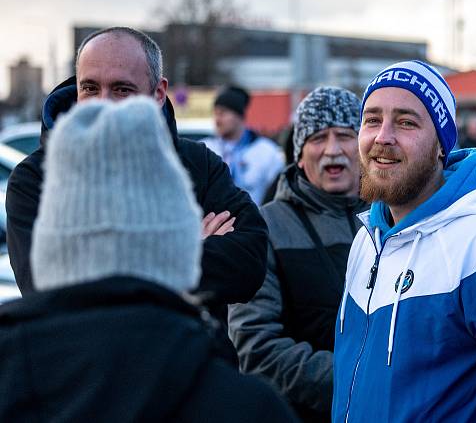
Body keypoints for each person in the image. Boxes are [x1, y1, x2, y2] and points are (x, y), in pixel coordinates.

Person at [0, 97, 296, 423]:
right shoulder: (245, 406)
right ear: (179, 256)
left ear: (51, 250)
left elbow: (248, 254)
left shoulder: (15, 383)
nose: (105, 99)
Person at [333, 60, 476, 422]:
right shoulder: (367, 238)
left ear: (440, 146)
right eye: (372, 120)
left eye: (406, 122)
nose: (382, 137)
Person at [5, 27, 268, 320]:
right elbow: (49, 291)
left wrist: (98, 261)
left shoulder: (198, 164)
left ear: (158, 93)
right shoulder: (34, 180)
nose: (102, 103)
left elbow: (249, 263)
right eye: (90, 88)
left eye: (121, 89)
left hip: (192, 361)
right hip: (89, 365)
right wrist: (187, 249)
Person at [229, 87, 367, 422]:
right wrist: (359, 380)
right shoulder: (266, 228)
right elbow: (255, 347)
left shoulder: (395, 219)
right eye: (318, 138)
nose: (332, 150)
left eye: (345, 136)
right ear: (300, 156)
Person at [202, 86, 284, 204]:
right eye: (215, 113)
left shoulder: (267, 152)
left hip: (255, 220)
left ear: (239, 115)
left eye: (223, 113)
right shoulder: (206, 149)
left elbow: (276, 197)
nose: (217, 120)